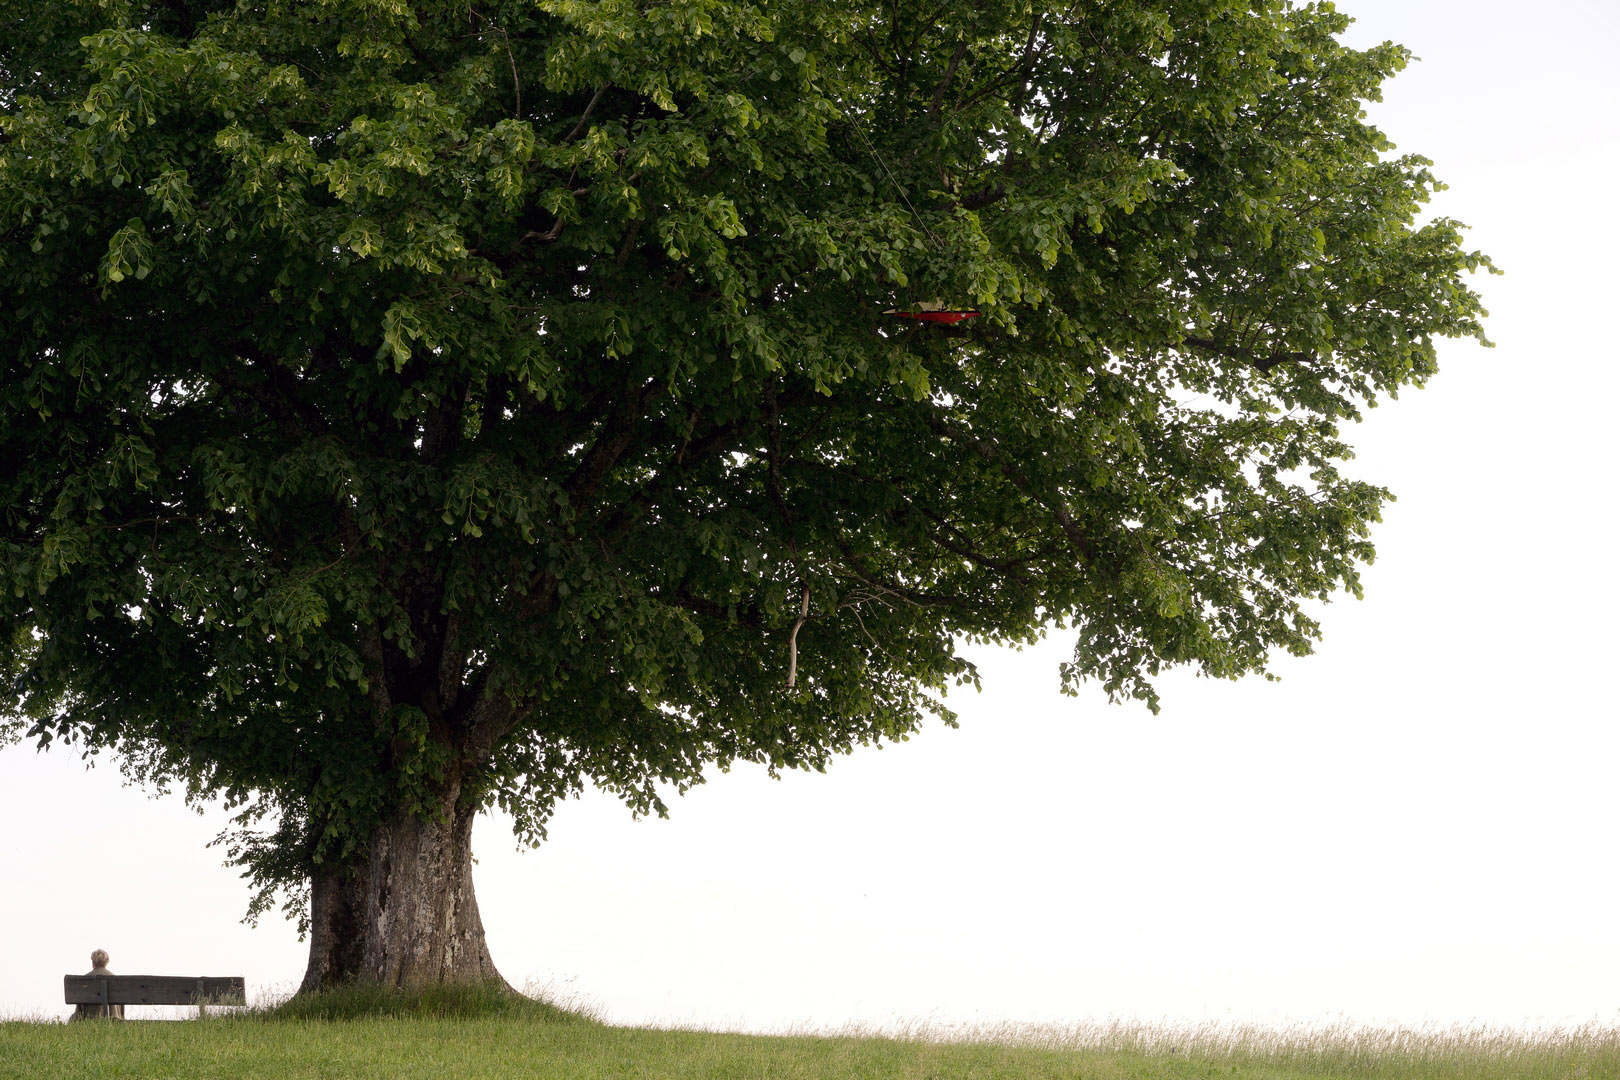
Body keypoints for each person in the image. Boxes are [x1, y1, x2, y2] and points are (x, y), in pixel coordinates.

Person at [71, 949, 125, 1021]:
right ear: (106, 962)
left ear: (93, 963)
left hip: (90, 1019)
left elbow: (79, 1010)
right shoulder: (116, 980)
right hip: (114, 1018)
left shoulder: (84, 980)